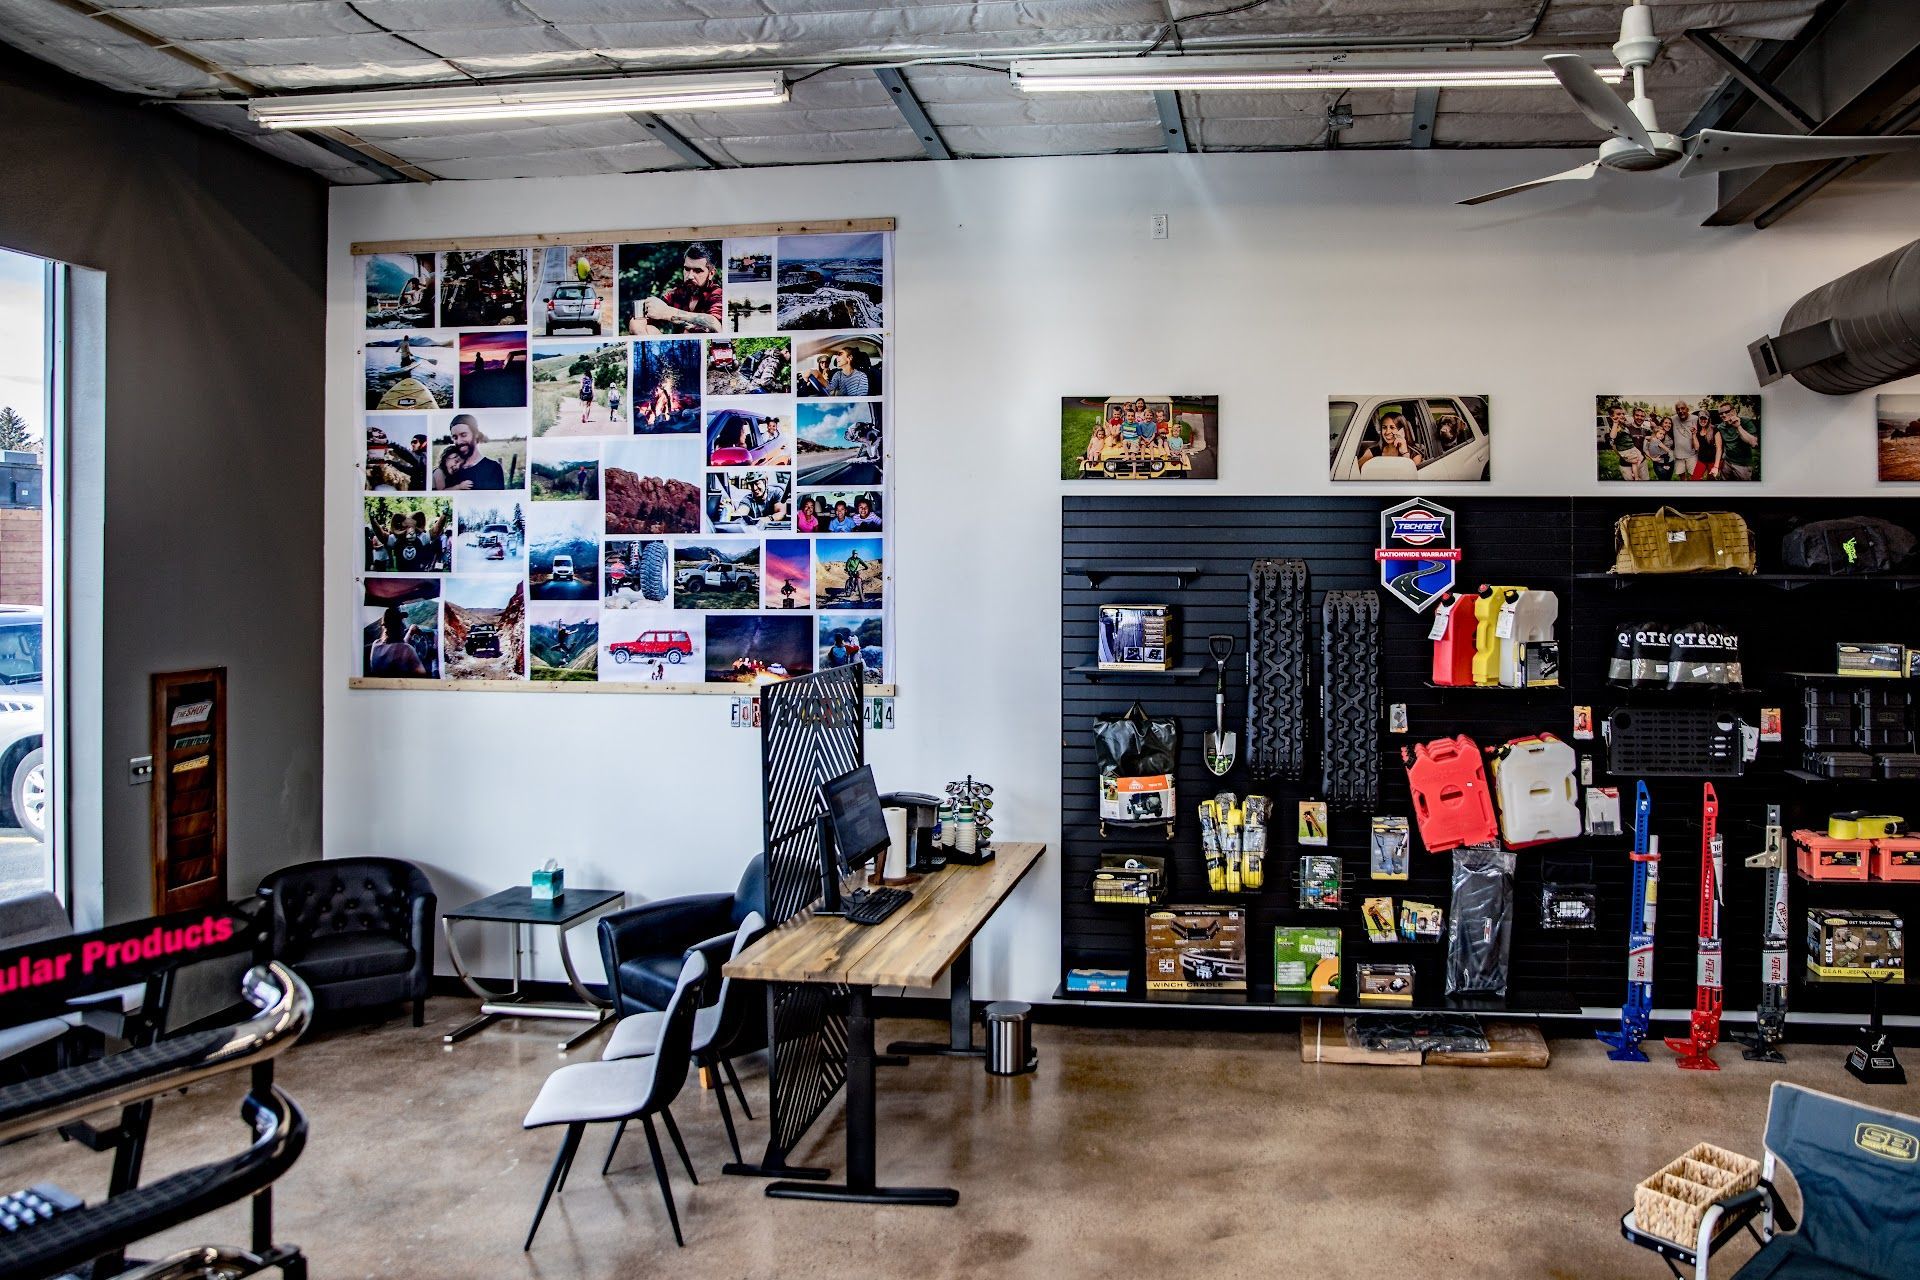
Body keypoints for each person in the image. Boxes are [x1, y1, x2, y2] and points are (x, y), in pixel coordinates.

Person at [632, 243, 723, 335]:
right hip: (676, 347)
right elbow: (636, 321)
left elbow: (715, 324)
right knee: (648, 329)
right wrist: (642, 335)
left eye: (698, 271)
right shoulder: (675, 294)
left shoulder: (717, 294)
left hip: (706, 347)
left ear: (711, 273)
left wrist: (666, 312)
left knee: (691, 331)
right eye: (687, 269)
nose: (690, 276)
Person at [434, 414, 506, 490]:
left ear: (476, 435)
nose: (459, 441)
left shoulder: (493, 468)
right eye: (455, 437)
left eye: (463, 435)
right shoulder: (449, 468)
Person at [368, 608, 427, 677]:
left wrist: (410, 632)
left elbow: (396, 648)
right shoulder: (407, 649)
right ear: (398, 626)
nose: (403, 625)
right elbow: (422, 675)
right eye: (401, 622)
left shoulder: (376, 644)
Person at [1359, 412, 1425, 470]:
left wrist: (1404, 453)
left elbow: (1409, 477)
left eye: (1392, 427)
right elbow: (1354, 470)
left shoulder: (1415, 456)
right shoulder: (1373, 452)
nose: (1387, 432)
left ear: (1402, 431)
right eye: (1384, 427)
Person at [1604, 404, 1644, 481]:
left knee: (1640, 458)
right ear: (1612, 416)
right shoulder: (1615, 427)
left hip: (1631, 446)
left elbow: (1629, 422)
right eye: (1618, 414)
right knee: (1635, 462)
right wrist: (1615, 423)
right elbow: (1612, 436)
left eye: (1623, 413)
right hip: (1626, 450)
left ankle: (1634, 472)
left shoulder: (1623, 425)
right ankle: (1635, 476)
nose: (1622, 415)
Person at [1669, 401, 1698, 480]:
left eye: (1683, 408)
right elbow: (1664, 425)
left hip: (1692, 454)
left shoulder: (1695, 418)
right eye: (1678, 409)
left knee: (1694, 476)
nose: (1680, 411)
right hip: (1678, 455)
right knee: (1682, 477)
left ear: (1687, 409)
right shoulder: (1673, 419)